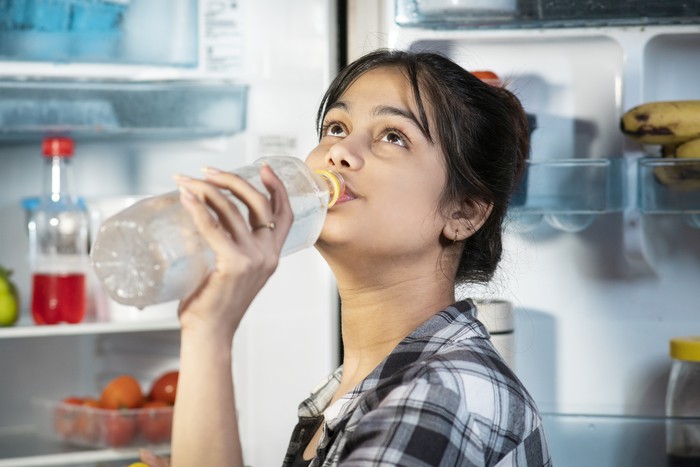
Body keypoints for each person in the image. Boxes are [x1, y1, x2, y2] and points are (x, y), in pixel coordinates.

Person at [140, 49, 551, 467]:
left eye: (393, 136)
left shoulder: (441, 396)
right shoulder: (356, 388)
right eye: (336, 127)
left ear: (462, 212)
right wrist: (203, 326)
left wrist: (210, 332)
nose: (339, 152)